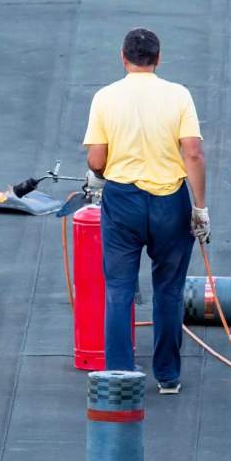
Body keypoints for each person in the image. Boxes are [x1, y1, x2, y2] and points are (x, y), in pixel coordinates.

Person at [83, 28, 209, 393]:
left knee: (119, 290)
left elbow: (96, 158)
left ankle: (121, 377)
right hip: (170, 200)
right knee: (169, 291)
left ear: (123, 57)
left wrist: (99, 175)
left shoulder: (105, 98)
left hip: (123, 201)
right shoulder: (178, 95)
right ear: (158, 58)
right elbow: (194, 153)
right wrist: (200, 208)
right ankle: (168, 376)